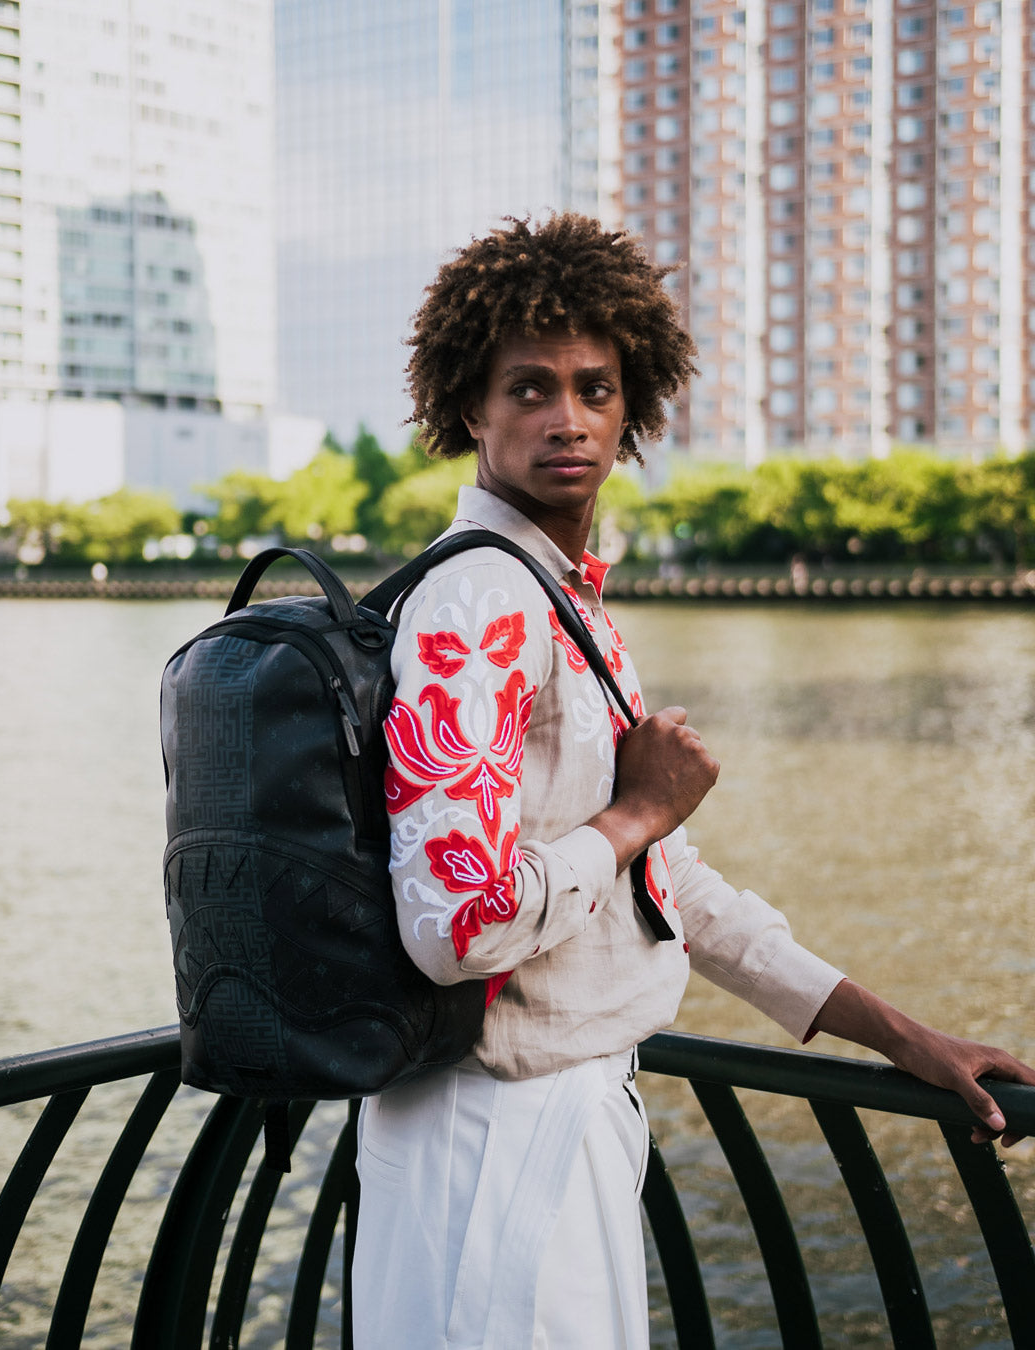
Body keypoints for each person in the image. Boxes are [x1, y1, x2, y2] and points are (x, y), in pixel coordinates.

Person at [351, 213, 1035, 1349]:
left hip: (546, 1120)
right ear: (469, 409)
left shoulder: (557, 599)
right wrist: (634, 813)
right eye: (528, 389)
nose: (565, 419)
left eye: (595, 387)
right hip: (497, 1136)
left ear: (634, 412)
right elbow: (455, 923)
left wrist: (900, 1036)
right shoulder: (483, 604)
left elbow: (672, 886)